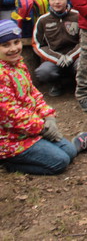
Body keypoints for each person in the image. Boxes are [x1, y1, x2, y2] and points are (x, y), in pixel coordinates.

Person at [0, 20, 76, 174]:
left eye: (16, 42)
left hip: (29, 130)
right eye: (6, 45)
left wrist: (48, 117)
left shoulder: (18, 65)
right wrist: (41, 128)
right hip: (9, 139)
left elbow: (33, 94)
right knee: (60, 162)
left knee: (71, 151)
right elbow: (10, 114)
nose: (13, 48)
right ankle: (8, 162)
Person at [32, 0, 80, 97]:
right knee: (43, 72)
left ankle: (81, 86)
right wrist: (56, 58)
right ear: (48, 0)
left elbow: (84, 40)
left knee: (85, 65)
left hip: (75, 58)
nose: (57, 2)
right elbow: (37, 44)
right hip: (54, 60)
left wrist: (71, 56)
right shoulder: (42, 20)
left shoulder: (77, 16)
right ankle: (56, 84)